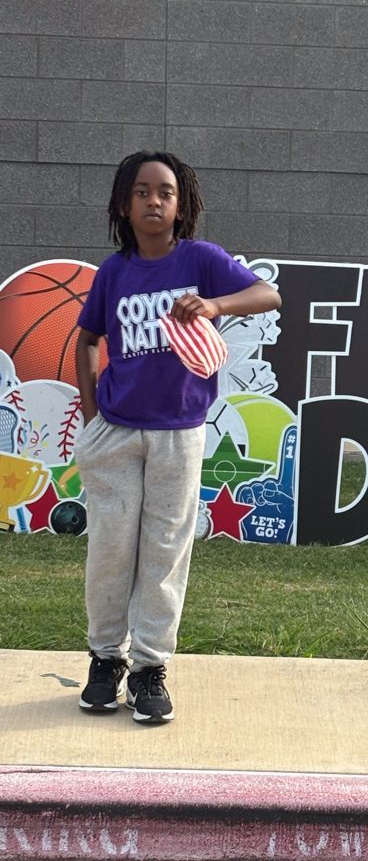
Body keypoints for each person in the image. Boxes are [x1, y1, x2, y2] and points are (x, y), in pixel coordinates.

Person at [74, 150, 281, 725]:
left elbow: (268, 295)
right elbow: (87, 341)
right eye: (141, 191)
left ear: (181, 203)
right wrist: (93, 415)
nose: (153, 201)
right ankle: (105, 659)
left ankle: (148, 669)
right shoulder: (113, 272)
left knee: (164, 553)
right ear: (124, 203)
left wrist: (214, 304)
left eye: (165, 192)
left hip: (178, 435)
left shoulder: (201, 261)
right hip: (115, 433)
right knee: (112, 551)